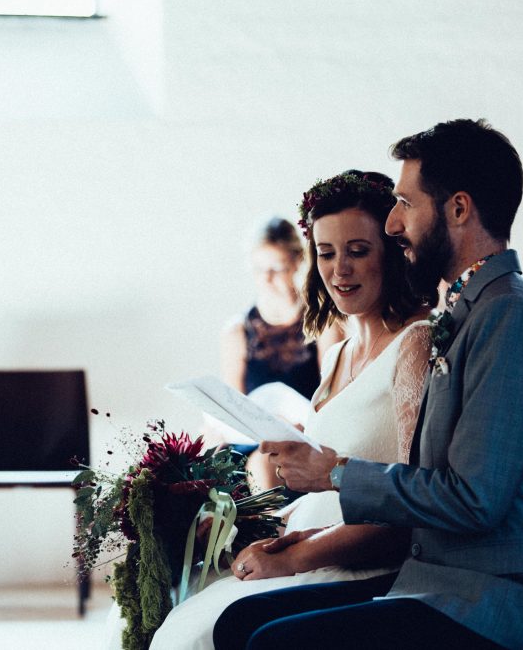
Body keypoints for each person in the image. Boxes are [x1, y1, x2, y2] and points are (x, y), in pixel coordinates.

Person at [214, 119, 523, 649]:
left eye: (406, 204)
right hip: (439, 578)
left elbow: (474, 500)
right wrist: (312, 536)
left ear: (458, 209)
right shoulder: (472, 310)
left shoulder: (511, 316)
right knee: (238, 625)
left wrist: (336, 474)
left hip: (501, 599)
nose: (393, 223)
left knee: (270, 641)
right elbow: (433, 479)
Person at [147, 170, 434, 650]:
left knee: (198, 636)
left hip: (356, 563)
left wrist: (292, 558)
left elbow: (408, 507)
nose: (340, 269)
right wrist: (243, 523)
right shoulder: (341, 351)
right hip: (306, 542)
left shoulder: (414, 342)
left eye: (358, 251)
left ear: (390, 250)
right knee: (175, 620)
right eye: (327, 253)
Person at [211, 217, 343, 491]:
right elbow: (232, 408)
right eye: (259, 270)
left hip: (309, 434)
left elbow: (334, 394)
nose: (266, 279)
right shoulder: (238, 330)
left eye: (276, 268)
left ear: (296, 262)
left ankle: (276, 531)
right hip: (253, 442)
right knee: (257, 460)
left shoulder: (322, 323)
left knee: (269, 462)